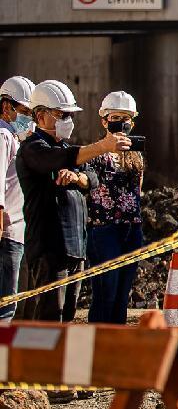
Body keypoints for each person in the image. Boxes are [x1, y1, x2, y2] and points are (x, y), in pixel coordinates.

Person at [17, 80, 131, 323]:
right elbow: (58, 159)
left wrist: (78, 178)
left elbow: (92, 177)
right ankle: (42, 361)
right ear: (40, 115)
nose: (67, 120)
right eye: (62, 115)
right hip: (50, 248)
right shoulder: (33, 148)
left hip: (74, 247)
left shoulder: (66, 147)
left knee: (66, 316)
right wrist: (103, 146)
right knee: (49, 318)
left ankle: (59, 360)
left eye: (69, 115)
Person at [82, 92, 144, 325]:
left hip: (131, 229)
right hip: (104, 230)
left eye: (126, 118)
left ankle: (115, 347)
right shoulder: (95, 154)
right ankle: (97, 347)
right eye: (115, 117)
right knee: (105, 293)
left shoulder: (135, 155)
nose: (121, 123)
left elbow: (138, 189)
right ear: (104, 121)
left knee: (121, 294)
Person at [0, 76, 34, 322]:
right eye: (24, 111)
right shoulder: (3, 135)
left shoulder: (14, 138)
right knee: (6, 303)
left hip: (16, 230)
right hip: (7, 231)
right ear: (6, 106)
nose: (29, 117)